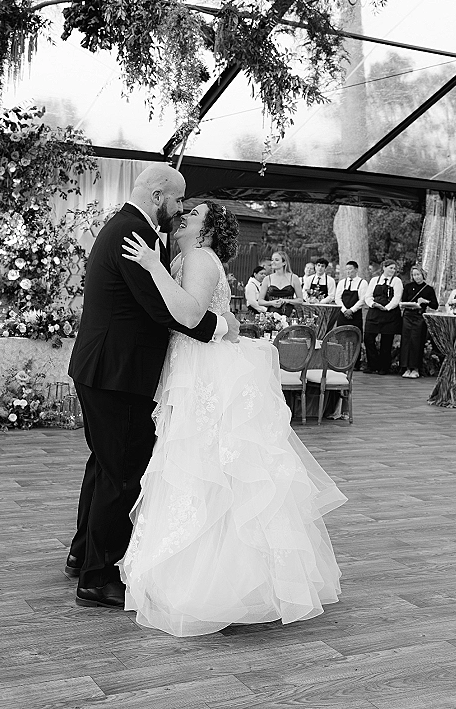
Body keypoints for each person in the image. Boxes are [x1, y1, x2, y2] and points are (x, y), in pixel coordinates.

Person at [119, 201, 346, 636]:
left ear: (207, 230)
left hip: (205, 373)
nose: (184, 215)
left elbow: (189, 315)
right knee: (194, 467)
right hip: (193, 368)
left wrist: (152, 267)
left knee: (210, 468)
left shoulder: (200, 258)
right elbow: (214, 317)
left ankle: (219, 585)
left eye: (195, 213)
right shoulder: (186, 257)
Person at [65, 166, 240, 609]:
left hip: (109, 369)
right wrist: (219, 327)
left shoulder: (133, 228)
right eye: (178, 201)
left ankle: (82, 553)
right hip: (117, 373)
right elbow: (163, 309)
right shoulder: (132, 233)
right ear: (160, 193)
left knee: (105, 464)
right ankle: (98, 577)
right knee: (122, 472)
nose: (179, 211)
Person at [363, 258, 403, 375]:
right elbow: (368, 296)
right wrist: (373, 304)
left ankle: (384, 367)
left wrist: (387, 307)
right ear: (384, 268)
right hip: (375, 312)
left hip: (389, 314)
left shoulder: (397, 281)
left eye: (394, 269)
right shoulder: (375, 280)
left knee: (386, 341)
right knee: (368, 338)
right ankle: (372, 365)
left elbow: (397, 297)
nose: (393, 270)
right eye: (390, 268)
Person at [399, 265, 438, 378]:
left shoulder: (428, 289)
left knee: (417, 341)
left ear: (423, 275)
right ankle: (406, 368)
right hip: (408, 315)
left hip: (419, 317)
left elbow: (435, 305)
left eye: (418, 274)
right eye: (414, 275)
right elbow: (404, 301)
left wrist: (425, 301)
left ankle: (415, 368)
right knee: (406, 341)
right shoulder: (408, 286)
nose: (416, 277)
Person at [257, 250, 303, 317]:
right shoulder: (267, 279)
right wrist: (271, 303)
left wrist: (286, 301)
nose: (273, 262)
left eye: (276, 260)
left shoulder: (294, 278)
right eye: (272, 260)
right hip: (272, 315)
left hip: (289, 314)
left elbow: (300, 300)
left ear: (284, 263)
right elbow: (260, 301)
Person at [334, 260, 368, 333]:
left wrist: (351, 310)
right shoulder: (342, 282)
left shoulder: (362, 283)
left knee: (355, 336)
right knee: (341, 335)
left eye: (350, 269)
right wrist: (345, 310)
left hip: (355, 315)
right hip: (342, 314)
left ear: (356, 270)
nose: (348, 271)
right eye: (346, 269)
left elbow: (362, 299)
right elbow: (337, 298)